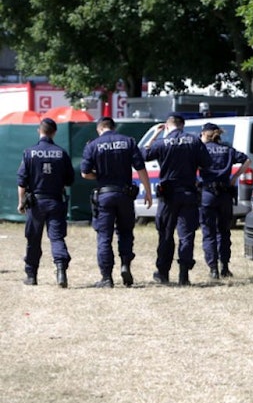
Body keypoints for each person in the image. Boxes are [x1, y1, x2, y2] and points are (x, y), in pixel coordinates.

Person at [80, 117, 154, 288]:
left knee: (104, 236)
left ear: (99, 129)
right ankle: (126, 265)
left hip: (105, 195)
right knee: (126, 232)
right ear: (113, 127)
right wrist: (148, 192)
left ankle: (106, 278)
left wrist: (102, 176)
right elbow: (140, 168)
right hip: (125, 195)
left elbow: (85, 173)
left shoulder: (93, 145)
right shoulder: (128, 141)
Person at [143, 113, 211, 285]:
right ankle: (184, 275)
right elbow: (207, 163)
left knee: (166, 234)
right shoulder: (194, 141)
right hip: (188, 193)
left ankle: (163, 273)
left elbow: (144, 154)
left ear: (167, 126)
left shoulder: (161, 142)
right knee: (186, 235)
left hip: (168, 195)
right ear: (183, 125)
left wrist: (155, 135)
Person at [17, 118, 75, 287]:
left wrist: (21, 202)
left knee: (33, 240)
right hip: (56, 201)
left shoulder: (29, 152)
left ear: (39, 131)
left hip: (36, 203)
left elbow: (22, 181)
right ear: (54, 132)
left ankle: (31, 276)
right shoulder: (61, 153)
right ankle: (61, 271)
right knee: (57, 238)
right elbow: (70, 179)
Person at [198, 123, 250, 279]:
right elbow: (247, 160)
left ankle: (213, 268)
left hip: (207, 194)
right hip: (225, 195)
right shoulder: (227, 149)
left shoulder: (202, 149)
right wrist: (235, 177)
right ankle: (225, 267)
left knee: (208, 232)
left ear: (204, 134)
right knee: (224, 232)